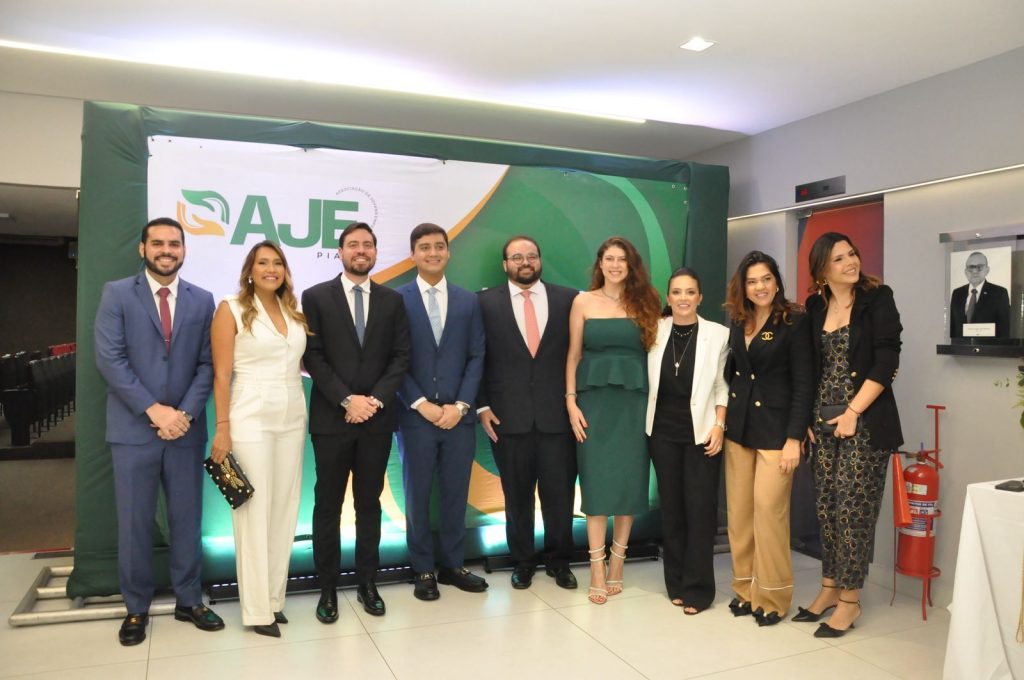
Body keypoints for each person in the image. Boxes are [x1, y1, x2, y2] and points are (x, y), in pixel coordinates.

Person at [94, 217, 223, 646]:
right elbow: (110, 359)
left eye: (174, 244)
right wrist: (155, 411)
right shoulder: (117, 293)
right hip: (133, 430)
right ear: (143, 249)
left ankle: (189, 599)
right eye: (158, 243)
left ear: (184, 250)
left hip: (185, 431)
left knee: (187, 520)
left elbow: (207, 364)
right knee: (134, 523)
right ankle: (136, 607)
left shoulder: (202, 299)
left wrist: (182, 414)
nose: (166, 250)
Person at [795, 231, 903, 638]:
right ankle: (829, 587)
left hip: (865, 421)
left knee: (853, 510)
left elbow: (888, 359)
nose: (850, 262)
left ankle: (850, 600)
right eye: (839, 258)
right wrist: (807, 418)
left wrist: (854, 412)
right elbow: (810, 366)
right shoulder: (815, 306)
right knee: (826, 506)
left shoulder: (878, 298)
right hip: (823, 421)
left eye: (852, 254)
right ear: (822, 270)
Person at [301, 222, 411, 621]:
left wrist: (373, 401)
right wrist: (348, 399)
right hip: (332, 419)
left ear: (375, 252)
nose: (360, 250)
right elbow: (312, 356)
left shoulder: (392, 301)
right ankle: (327, 587)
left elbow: (401, 356)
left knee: (369, 504)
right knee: (327, 505)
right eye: (353, 244)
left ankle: (367, 582)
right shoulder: (315, 297)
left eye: (367, 244)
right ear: (340, 251)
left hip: (376, 422)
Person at [209, 240, 310, 637]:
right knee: (253, 510)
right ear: (250, 271)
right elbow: (222, 375)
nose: (271, 269)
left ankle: (273, 599)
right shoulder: (230, 308)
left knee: (285, 507)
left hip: (292, 414)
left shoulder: (293, 311)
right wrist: (222, 427)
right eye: (263, 263)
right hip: (249, 414)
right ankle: (255, 609)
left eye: (278, 263)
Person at [477, 235, 579, 590]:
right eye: (517, 257)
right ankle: (522, 561)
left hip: (558, 419)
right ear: (505, 264)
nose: (525, 262)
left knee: (560, 496)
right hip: (507, 419)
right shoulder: (484, 302)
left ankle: (559, 561)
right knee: (516, 496)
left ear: (540, 260)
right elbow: (476, 357)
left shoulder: (569, 299)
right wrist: (482, 405)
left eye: (531, 256)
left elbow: (579, 354)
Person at [566, 236, 660, 605]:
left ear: (631, 264)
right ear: (600, 263)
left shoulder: (647, 300)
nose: (615, 265)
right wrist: (571, 401)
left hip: (634, 404)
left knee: (628, 482)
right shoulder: (583, 301)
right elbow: (573, 355)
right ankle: (596, 567)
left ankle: (618, 560)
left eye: (622, 259)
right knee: (596, 483)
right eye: (609, 258)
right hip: (593, 402)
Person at [397, 222, 488, 600]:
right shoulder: (397, 300)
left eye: (439, 246)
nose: (432, 253)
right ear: (413, 255)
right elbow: (394, 358)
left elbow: (477, 355)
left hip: (458, 418)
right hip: (415, 417)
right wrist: (420, 403)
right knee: (417, 495)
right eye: (424, 247)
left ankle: (453, 565)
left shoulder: (468, 301)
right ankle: (422, 569)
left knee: (455, 493)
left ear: (448, 252)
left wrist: (461, 405)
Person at [723, 250, 812, 627]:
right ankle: (745, 589)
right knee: (740, 514)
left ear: (777, 282)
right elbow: (732, 373)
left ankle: (773, 596)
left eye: (766, 279)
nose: (760, 287)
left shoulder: (794, 321)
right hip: (739, 428)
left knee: (769, 512)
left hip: (777, 433)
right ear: (742, 286)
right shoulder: (738, 319)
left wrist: (795, 437)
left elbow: (804, 383)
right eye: (752, 281)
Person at [645, 268, 729, 614]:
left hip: (702, 433)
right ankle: (676, 583)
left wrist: (720, 425)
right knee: (673, 510)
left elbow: (722, 385)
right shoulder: (654, 329)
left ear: (700, 297)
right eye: (677, 292)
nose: (683, 298)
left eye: (690, 292)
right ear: (668, 297)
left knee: (700, 511)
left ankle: (699, 589)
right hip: (661, 433)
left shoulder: (718, 334)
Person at [949, 251, 1010, 338]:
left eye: (979, 267)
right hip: (961, 346)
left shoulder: (999, 293)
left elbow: (1004, 329)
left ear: (987, 270)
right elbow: (953, 328)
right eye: (971, 267)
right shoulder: (957, 293)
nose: (975, 271)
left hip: (988, 346)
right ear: (965, 271)